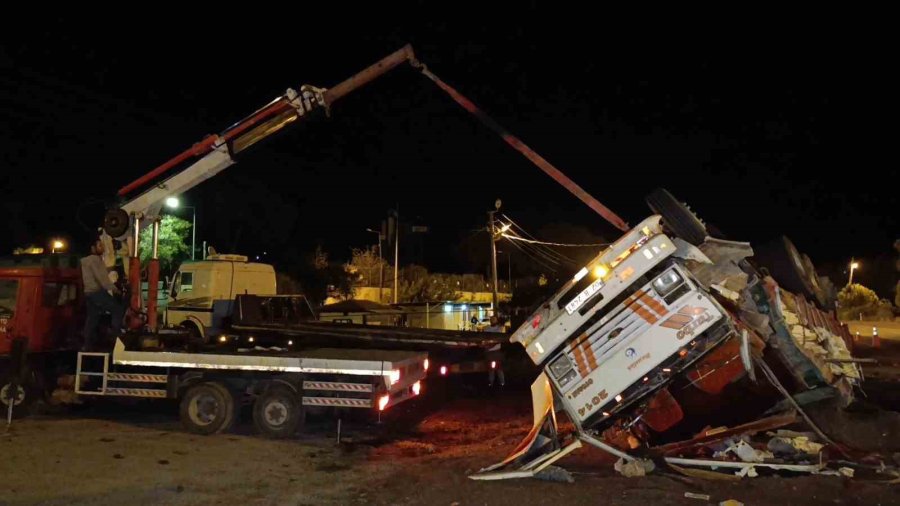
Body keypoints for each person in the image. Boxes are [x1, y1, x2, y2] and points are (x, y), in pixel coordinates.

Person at [81, 237, 125, 351]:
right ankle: (116, 336)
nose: (103, 247)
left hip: (88, 293)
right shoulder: (95, 260)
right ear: (93, 248)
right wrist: (115, 289)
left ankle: (87, 344)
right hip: (97, 292)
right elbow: (102, 279)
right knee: (117, 309)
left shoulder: (85, 261)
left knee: (92, 317)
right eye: (100, 246)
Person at [484, 315, 506, 388]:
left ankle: (499, 383)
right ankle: (495, 383)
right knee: (494, 370)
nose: (493, 321)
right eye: (492, 319)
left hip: (493, 352)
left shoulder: (498, 328)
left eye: (494, 319)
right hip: (491, 353)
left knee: (497, 369)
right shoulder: (488, 329)